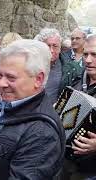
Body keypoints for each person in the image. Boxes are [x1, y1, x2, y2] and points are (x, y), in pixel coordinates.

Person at [0, 39, 65, 179]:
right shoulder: (12, 104)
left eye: (11, 77)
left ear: (38, 79)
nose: (1, 83)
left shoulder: (42, 134)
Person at [63, 34, 96, 180]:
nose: (88, 60)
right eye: (85, 54)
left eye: (95, 55)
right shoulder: (76, 80)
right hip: (66, 163)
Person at [34, 28, 82, 104]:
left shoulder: (71, 69)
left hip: (55, 113)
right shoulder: (31, 65)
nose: (51, 50)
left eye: (55, 46)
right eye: (48, 46)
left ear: (60, 48)